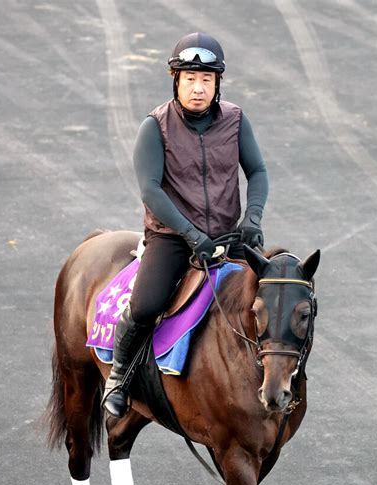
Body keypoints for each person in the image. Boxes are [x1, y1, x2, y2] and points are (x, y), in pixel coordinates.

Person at [103, 32, 269, 418]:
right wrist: (194, 236)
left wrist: (253, 218)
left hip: (229, 234)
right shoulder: (155, 127)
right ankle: (120, 374)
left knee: (275, 292)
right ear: (175, 79)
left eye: (206, 80)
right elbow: (151, 191)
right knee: (146, 304)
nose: (198, 88)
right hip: (174, 237)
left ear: (217, 84)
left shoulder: (236, 120)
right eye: (190, 78)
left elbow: (257, 171)